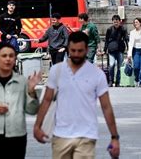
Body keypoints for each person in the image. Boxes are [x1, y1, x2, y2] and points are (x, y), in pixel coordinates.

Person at [33, 31, 120, 159]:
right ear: (68, 49)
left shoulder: (97, 74)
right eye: (73, 50)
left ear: (87, 50)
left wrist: (114, 137)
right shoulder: (56, 70)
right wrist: (37, 126)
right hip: (60, 135)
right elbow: (47, 100)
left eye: (80, 51)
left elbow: (106, 107)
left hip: (87, 136)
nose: (76, 54)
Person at [102, 15, 128, 87]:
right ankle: (111, 81)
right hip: (111, 50)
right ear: (112, 22)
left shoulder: (123, 29)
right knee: (111, 65)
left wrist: (128, 48)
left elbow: (126, 39)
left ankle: (118, 82)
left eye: (117, 22)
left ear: (120, 21)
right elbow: (106, 40)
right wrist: (105, 49)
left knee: (120, 66)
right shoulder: (109, 29)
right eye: (114, 22)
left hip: (120, 50)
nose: (116, 23)